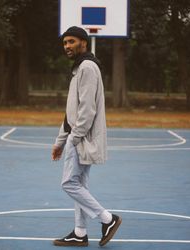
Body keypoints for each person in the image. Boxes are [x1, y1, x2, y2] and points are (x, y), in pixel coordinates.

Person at [51, 26, 122, 247]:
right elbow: (71, 111)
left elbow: (87, 109)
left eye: (71, 41)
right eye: (64, 43)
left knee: (69, 184)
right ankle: (80, 233)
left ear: (83, 42)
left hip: (82, 138)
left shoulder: (88, 67)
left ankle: (108, 219)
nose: (67, 46)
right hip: (76, 136)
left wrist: (74, 138)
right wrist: (60, 141)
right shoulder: (79, 68)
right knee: (79, 184)